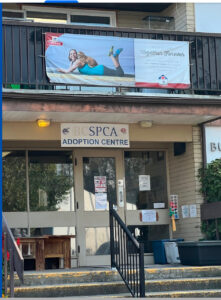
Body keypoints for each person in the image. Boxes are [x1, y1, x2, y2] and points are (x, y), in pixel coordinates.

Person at [57, 46, 124, 77]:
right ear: (69, 56)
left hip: (101, 70)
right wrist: (71, 62)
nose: (72, 55)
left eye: (74, 53)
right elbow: (71, 70)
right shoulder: (75, 62)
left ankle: (111, 56)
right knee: (119, 72)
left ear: (77, 55)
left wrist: (60, 70)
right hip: (101, 70)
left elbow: (68, 71)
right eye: (71, 54)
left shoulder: (78, 61)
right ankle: (115, 57)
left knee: (120, 74)